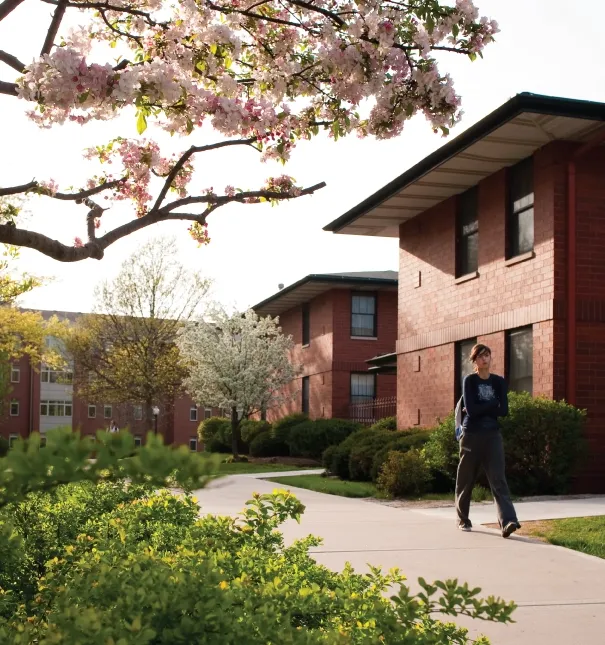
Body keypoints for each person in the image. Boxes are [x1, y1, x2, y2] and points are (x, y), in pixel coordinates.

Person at [455, 343, 520, 538]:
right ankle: (463, 519)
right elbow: (473, 411)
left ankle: (508, 521)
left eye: (487, 355)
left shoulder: (499, 382)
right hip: (471, 435)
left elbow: (504, 411)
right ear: (474, 360)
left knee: (498, 479)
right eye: (481, 356)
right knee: (466, 479)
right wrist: (492, 403)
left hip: (493, 435)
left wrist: (482, 407)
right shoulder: (470, 381)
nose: (485, 359)